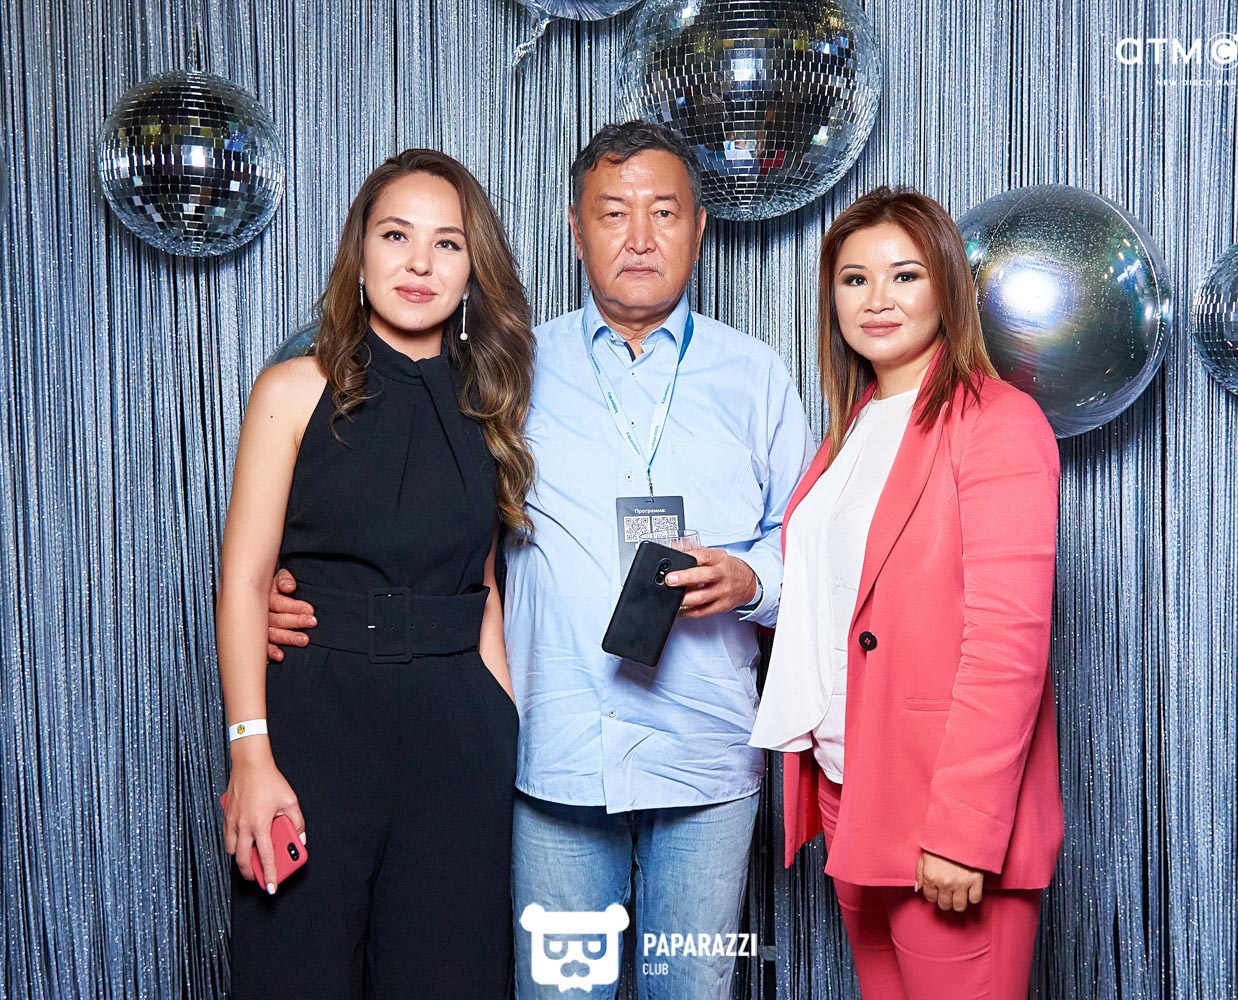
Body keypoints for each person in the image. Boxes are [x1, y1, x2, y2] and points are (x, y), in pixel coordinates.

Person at [266, 121, 814, 998]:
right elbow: (404, 501)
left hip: (705, 762)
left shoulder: (758, 377)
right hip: (556, 760)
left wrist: (753, 581)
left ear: (700, 227)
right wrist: (300, 591)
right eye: (614, 212)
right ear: (575, 228)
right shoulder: (505, 371)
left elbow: (808, 547)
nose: (640, 237)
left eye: (664, 211)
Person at [216, 148, 535, 998]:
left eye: (447, 243)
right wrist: (251, 756)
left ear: (473, 270)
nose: (420, 263)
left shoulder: (489, 404)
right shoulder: (291, 390)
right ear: (360, 253)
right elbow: (244, 583)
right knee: (293, 974)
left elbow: (483, 587)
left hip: (458, 735)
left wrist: (502, 723)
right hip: (316, 724)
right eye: (397, 236)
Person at [749, 186, 1063, 1000]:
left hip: (941, 812)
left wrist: (963, 831)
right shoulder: (850, 429)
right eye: (854, 280)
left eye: (904, 275)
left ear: (947, 286)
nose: (876, 299)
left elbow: (1008, 648)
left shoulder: (997, 422)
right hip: (852, 795)